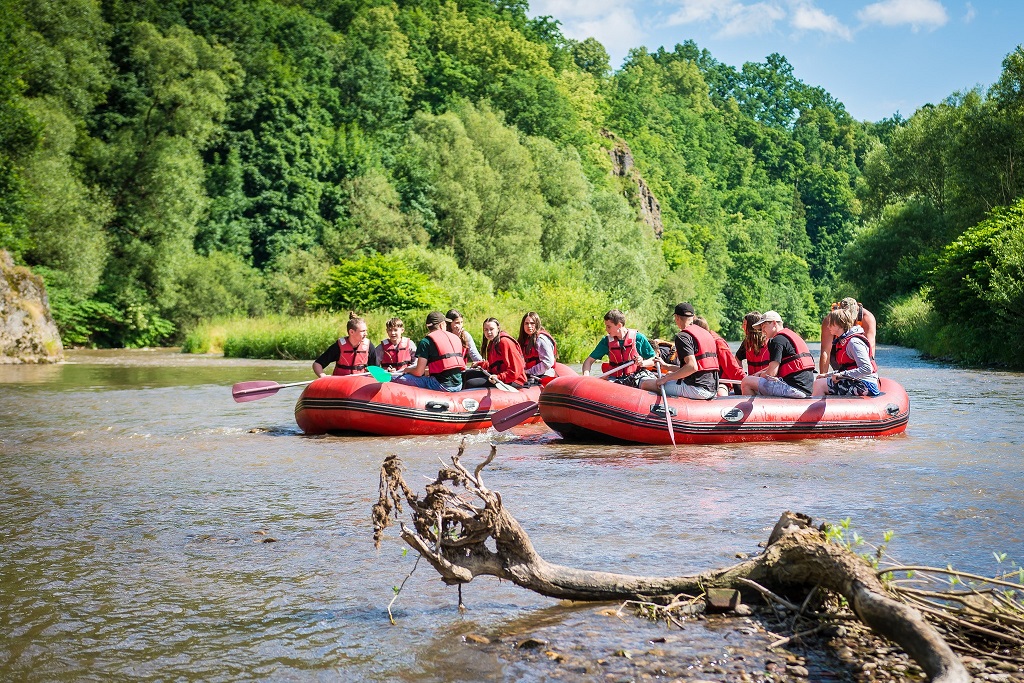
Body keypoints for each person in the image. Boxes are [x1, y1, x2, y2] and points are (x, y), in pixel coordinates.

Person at [641, 303, 720, 400]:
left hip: (698, 390)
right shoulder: (705, 333)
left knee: (646, 384)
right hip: (712, 389)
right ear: (692, 317)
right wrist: (667, 366)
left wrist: (667, 378)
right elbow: (696, 369)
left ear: (677, 317)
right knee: (667, 378)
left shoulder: (682, 336)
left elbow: (692, 367)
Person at [739, 311, 815, 398]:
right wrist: (759, 373)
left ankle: (754, 411)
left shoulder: (776, 341)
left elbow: (771, 373)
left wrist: (759, 375)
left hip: (793, 389)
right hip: (808, 389)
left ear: (774, 323)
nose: (762, 331)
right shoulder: (790, 337)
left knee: (746, 382)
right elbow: (779, 366)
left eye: (764, 327)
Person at [812, 308, 880, 396]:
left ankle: (812, 409)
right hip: (857, 381)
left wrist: (841, 375)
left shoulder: (854, 342)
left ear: (839, 324)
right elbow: (848, 370)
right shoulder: (844, 340)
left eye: (831, 323)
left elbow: (867, 368)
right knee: (820, 380)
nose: (828, 326)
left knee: (819, 385)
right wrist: (827, 375)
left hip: (866, 385)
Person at [581, 309, 657, 387]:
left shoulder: (638, 338)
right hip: (615, 379)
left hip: (637, 376)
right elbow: (589, 361)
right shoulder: (606, 341)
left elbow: (654, 359)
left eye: (609, 326)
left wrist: (642, 363)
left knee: (649, 384)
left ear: (619, 325)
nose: (606, 329)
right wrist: (586, 376)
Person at [392, 311, 465, 392]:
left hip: (440, 385)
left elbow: (419, 372)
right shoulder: (456, 338)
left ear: (428, 327)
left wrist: (407, 370)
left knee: (395, 378)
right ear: (441, 325)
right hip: (459, 385)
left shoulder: (425, 342)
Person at [463, 318, 527, 389]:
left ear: (498, 329)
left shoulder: (505, 342)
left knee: (471, 383)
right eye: (486, 330)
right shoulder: (492, 343)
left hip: (515, 380)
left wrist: (499, 377)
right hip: (499, 376)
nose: (489, 332)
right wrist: (480, 364)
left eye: (491, 329)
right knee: (467, 375)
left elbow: (515, 370)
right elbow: (493, 365)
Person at [312, 313, 380, 377]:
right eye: (363, 331)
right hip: (342, 382)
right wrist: (323, 376)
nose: (366, 334)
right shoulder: (338, 347)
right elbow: (317, 364)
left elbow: (376, 368)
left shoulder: (369, 346)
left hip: (360, 381)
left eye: (366, 331)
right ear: (351, 332)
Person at [819, 297, 876, 373]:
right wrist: (823, 376)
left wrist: (867, 372)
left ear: (857, 312)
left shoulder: (867, 318)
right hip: (838, 351)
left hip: (858, 349)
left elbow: (870, 348)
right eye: (844, 319)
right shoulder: (829, 320)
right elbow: (825, 351)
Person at [692, 315, 744, 390]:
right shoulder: (690, 344)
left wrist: (746, 381)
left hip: (720, 382)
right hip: (699, 382)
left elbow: (732, 368)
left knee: (720, 393)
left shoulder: (718, 343)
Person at [518, 311, 558, 385]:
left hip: (544, 373)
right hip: (531, 374)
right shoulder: (525, 340)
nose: (529, 326)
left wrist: (529, 371)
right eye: (526, 323)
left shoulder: (541, 339)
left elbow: (548, 362)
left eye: (532, 323)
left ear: (537, 324)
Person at [735, 311, 770, 376]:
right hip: (752, 381)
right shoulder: (746, 343)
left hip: (766, 381)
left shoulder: (770, 342)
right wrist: (742, 375)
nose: (742, 327)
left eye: (745, 324)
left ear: (752, 326)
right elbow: (737, 360)